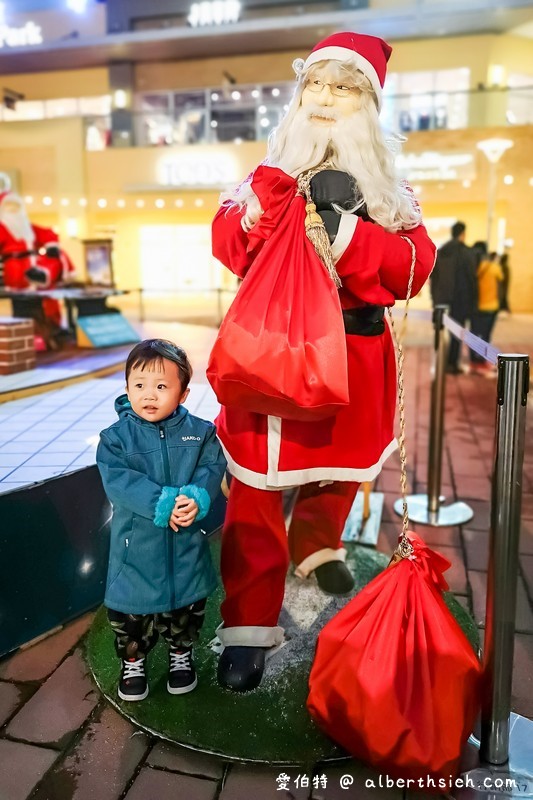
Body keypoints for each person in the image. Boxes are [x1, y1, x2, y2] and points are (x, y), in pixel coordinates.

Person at [210, 32, 436, 691]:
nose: (326, 98)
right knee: (255, 495)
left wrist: (346, 234)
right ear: (299, 92)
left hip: (355, 360)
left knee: (336, 479)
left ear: (367, 104)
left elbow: (413, 269)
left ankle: (314, 548)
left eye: (343, 87)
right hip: (270, 356)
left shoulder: (393, 191)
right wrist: (270, 198)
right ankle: (248, 627)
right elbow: (228, 245)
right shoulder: (265, 178)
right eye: (316, 84)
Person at [96, 339, 226, 701]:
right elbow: (119, 481)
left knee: (185, 610)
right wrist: (163, 502)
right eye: (139, 385)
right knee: (131, 617)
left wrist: (199, 496)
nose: (148, 395)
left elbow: (212, 466)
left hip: (185, 547)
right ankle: (133, 660)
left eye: (161, 386)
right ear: (126, 388)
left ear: (183, 393)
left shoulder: (200, 433)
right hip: (135, 551)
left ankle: (181, 655)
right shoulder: (115, 440)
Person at [0, 189, 75, 348]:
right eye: (9, 206)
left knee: (58, 256)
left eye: (16, 205)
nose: (13, 210)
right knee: (25, 308)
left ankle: (44, 276)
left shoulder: (28, 227)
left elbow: (47, 233)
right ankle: (34, 336)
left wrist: (51, 245)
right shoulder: (3, 228)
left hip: (35, 266)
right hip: (15, 270)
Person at [430, 221, 477, 374]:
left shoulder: (442, 250)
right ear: (462, 234)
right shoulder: (466, 252)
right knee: (457, 332)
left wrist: (435, 297)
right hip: (461, 299)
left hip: (442, 297)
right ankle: (452, 363)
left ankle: (440, 361)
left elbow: (434, 276)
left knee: (441, 331)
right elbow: (471, 278)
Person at [470, 251, 503, 377]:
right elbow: (500, 286)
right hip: (491, 307)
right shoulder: (495, 267)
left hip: (476, 307)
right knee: (486, 335)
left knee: (474, 333)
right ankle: (483, 360)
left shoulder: (475, 268)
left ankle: (474, 360)